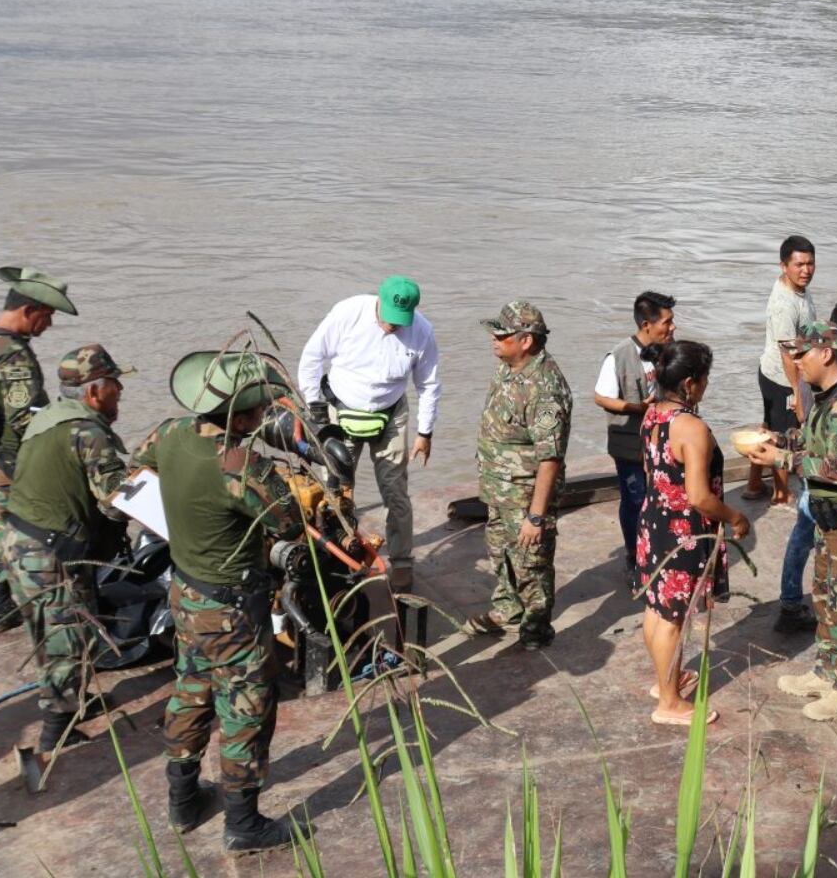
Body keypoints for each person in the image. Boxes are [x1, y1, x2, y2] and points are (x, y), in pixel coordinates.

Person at [135, 350, 307, 852]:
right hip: (232, 608)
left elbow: (136, 470)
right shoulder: (240, 465)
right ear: (247, 416)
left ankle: (184, 802)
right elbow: (287, 523)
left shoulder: (168, 434)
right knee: (246, 706)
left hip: (186, 590)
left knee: (191, 688)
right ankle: (243, 823)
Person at [750, 322, 837, 722]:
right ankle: (827, 671)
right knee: (827, 598)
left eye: (801, 355)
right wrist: (784, 440)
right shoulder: (829, 399)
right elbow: (817, 442)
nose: (795, 363)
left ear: (826, 354)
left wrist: (780, 460)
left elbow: (835, 470)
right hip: (833, 521)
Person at [1, 344, 131, 765]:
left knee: (49, 631)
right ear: (94, 393)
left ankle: (72, 701)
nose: (120, 393)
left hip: (18, 542)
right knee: (68, 640)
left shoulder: (47, 420)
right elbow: (115, 501)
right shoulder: (88, 433)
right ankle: (54, 737)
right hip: (49, 554)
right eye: (115, 385)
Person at [296, 276, 441, 592]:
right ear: (378, 301)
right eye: (388, 319)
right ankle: (335, 554)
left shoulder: (422, 331)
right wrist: (316, 409)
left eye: (400, 323)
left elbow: (428, 385)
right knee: (334, 490)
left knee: (396, 492)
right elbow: (311, 359)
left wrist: (425, 432)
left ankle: (401, 563)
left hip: (390, 414)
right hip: (341, 409)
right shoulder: (348, 314)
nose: (393, 327)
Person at [637, 340, 749, 727]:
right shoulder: (691, 427)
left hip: (655, 522)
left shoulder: (652, 415)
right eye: (705, 379)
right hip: (684, 531)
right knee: (673, 617)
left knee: (657, 608)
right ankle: (668, 702)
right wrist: (734, 516)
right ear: (689, 383)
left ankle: (664, 681)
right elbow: (700, 496)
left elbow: (652, 473)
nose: (706, 386)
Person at [0, 267, 77, 633]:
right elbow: (25, 418)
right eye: (47, 316)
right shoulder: (12, 354)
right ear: (29, 310)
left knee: (2, 525)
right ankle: (18, 604)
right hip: (17, 458)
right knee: (29, 529)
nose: (48, 325)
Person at [465, 301, 573, 651]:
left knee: (532, 564)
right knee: (500, 552)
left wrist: (536, 516)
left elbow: (550, 458)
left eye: (502, 334)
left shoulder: (546, 388)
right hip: (499, 489)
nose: (494, 339)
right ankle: (507, 610)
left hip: (526, 495)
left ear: (526, 340)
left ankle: (535, 630)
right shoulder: (508, 368)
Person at [593, 291, 676, 594]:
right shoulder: (619, 355)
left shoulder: (669, 351)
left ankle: (657, 549)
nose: (672, 327)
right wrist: (638, 408)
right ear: (646, 324)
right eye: (667, 322)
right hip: (629, 441)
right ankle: (634, 555)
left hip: (661, 438)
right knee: (635, 499)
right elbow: (601, 398)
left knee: (661, 497)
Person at [747, 235, 817, 504]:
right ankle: (780, 492)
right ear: (783, 266)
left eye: (810, 263)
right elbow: (788, 354)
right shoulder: (784, 304)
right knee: (783, 436)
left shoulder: (799, 288)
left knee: (770, 428)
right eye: (799, 264)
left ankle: (754, 485)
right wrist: (799, 391)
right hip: (782, 378)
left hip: (773, 372)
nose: (806, 270)